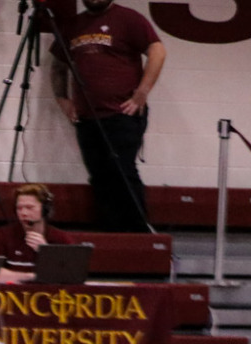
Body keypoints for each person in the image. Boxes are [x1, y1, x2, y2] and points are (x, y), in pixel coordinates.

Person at [49, 0, 164, 233]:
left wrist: (142, 92)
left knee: (122, 171)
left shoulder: (128, 18)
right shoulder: (74, 25)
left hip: (122, 114)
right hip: (87, 117)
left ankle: (136, 231)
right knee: (99, 176)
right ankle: (107, 232)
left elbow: (157, 51)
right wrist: (62, 99)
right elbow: (58, 65)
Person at [0, 184, 77, 285]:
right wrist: (31, 277)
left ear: (45, 210)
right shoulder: (3, 235)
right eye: (19, 208)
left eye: (29, 208)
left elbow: (70, 275)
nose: (23, 213)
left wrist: (46, 252)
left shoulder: (60, 238)